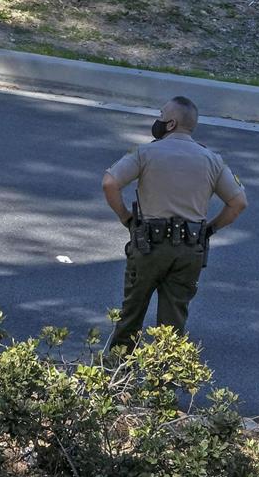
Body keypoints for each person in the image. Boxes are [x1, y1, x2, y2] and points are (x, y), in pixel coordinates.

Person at [102, 94, 247, 353]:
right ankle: (163, 387)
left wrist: (126, 217)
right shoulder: (212, 159)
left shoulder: (146, 152)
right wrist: (210, 229)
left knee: (130, 316)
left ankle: (115, 379)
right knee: (173, 326)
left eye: (161, 116)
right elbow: (238, 203)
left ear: (170, 124)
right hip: (190, 250)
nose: (157, 121)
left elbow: (110, 183)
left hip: (149, 246)